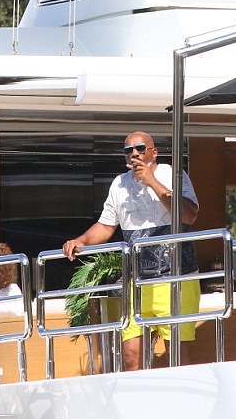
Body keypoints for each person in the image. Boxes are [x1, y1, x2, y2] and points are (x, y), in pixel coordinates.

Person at [62, 131, 200, 371]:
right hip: (137, 281)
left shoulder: (173, 175)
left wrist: (152, 181)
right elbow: (106, 226)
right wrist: (80, 239)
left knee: (177, 357)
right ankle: (134, 405)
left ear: (154, 152)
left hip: (177, 278)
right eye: (129, 150)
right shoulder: (119, 183)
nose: (135, 153)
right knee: (130, 357)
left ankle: (180, 404)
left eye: (140, 149)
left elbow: (189, 215)